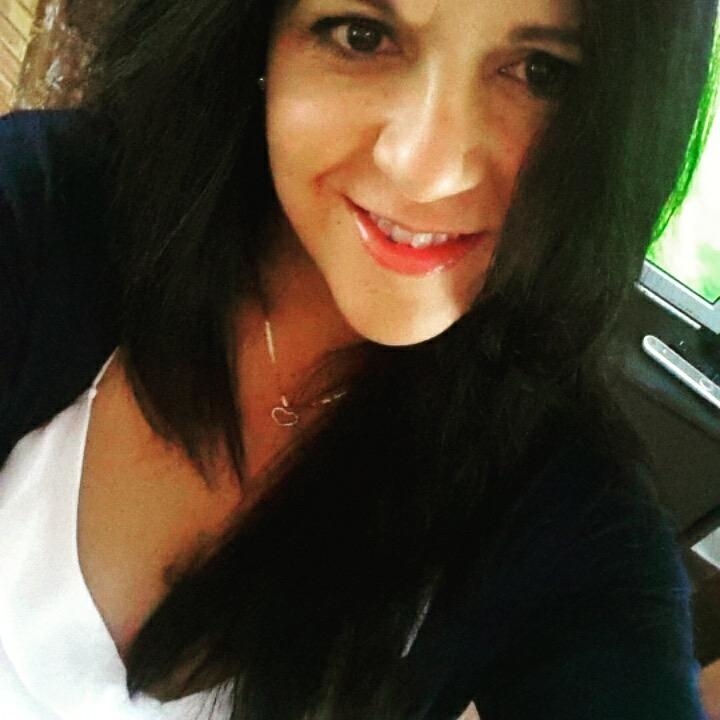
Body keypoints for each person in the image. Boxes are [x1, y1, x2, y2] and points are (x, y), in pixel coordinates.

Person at [0, 0, 717, 717]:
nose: (425, 170)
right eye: (363, 35)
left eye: (540, 72)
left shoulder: (569, 515)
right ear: (258, 35)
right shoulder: (45, 209)